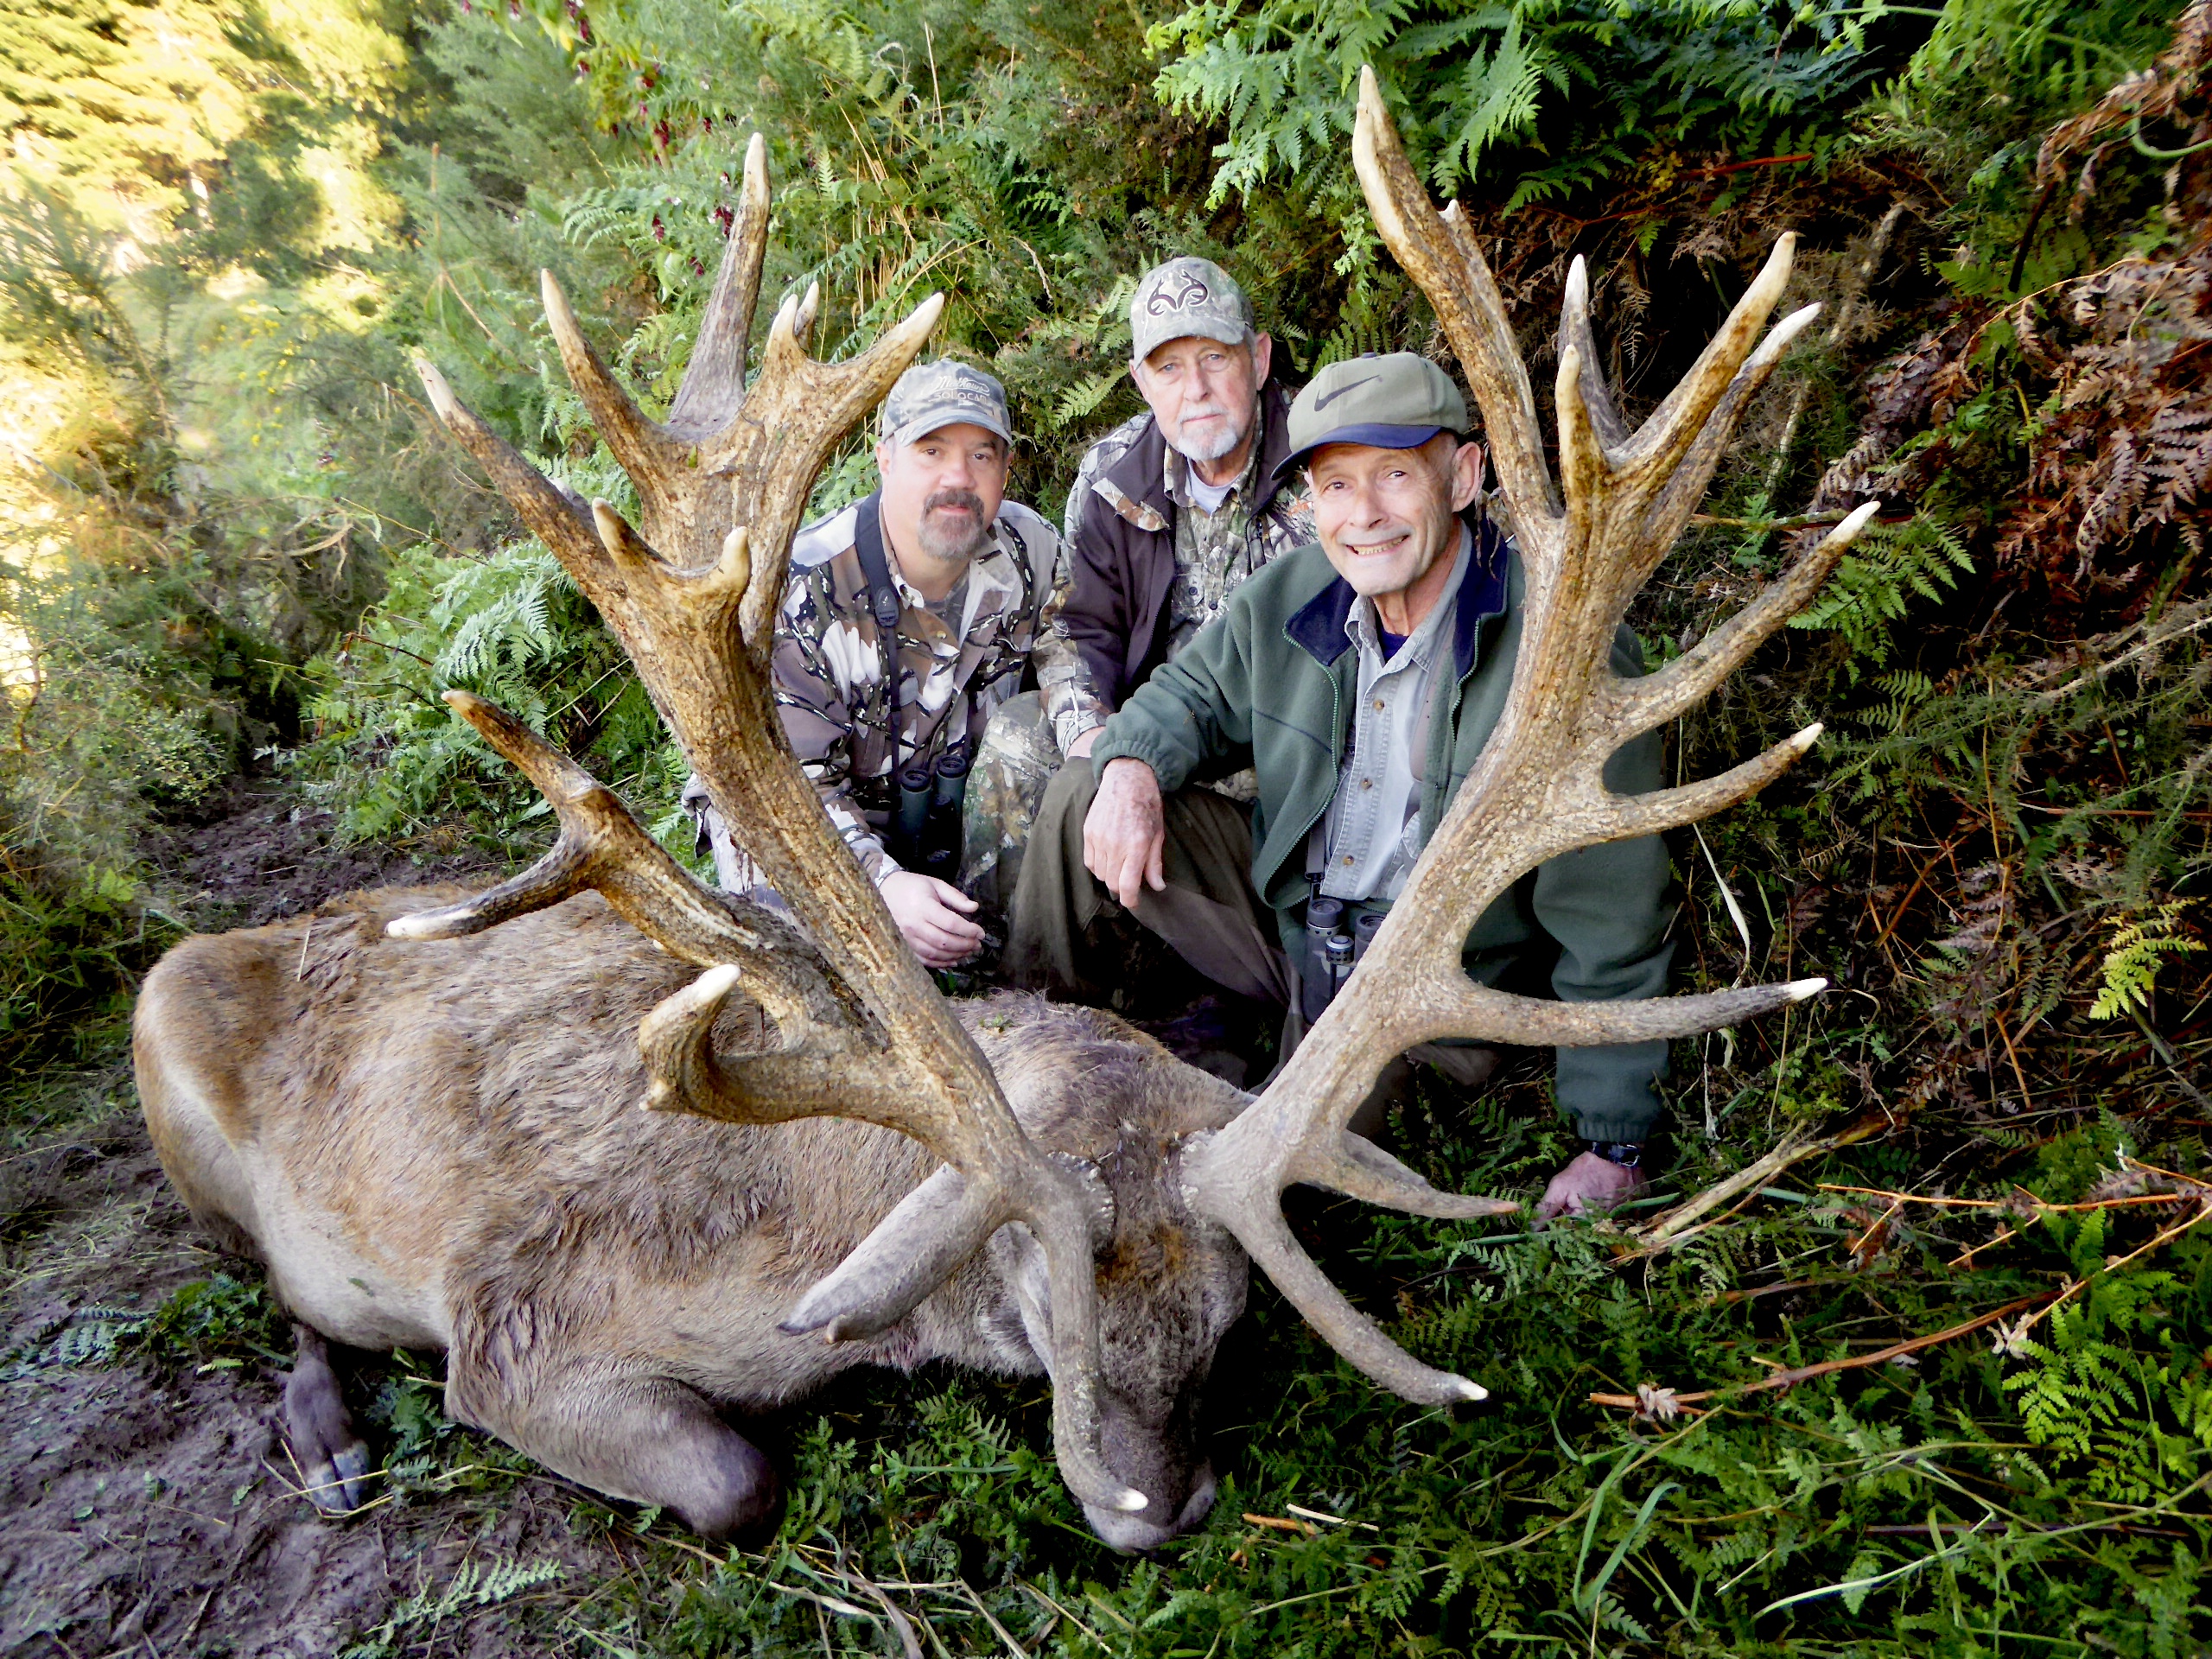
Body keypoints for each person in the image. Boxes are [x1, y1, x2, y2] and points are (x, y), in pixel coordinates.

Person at [1007, 353, 1675, 1220]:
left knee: (1255, 1200)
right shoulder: (1296, 593)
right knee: (1076, 799)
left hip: (1423, 1002)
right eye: (1333, 486)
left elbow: (1610, 918)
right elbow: (1191, 698)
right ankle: (1022, 1078)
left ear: (1464, 476)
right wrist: (1128, 768)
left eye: (1395, 475)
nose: (1362, 516)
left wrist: (1611, 1141)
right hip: (1292, 933)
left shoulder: (1557, 658)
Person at [960, 256, 1313, 905]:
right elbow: (1074, 630)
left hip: (1282, 751)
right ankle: (991, 973)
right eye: (1169, 368)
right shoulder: (1111, 479)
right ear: (1140, 382)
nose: (1195, 389)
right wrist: (1098, 740)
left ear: (1259, 360)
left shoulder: (1324, 464)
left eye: (1215, 357)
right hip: (1147, 733)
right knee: (1018, 735)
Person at [683, 360, 1057, 969]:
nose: (957, 478)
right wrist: (881, 888)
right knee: (779, 912)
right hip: (819, 824)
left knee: (1041, 735)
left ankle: (1000, 970)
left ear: (1006, 471)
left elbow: (1075, 656)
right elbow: (782, 789)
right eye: (931, 451)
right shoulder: (800, 590)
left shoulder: (1029, 550)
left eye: (982, 455)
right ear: (885, 460)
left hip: (947, 831)